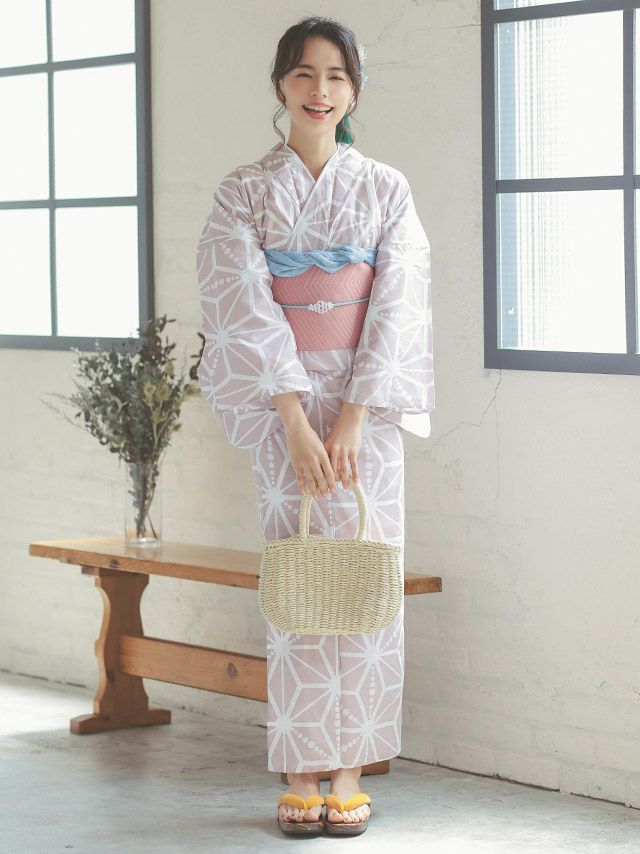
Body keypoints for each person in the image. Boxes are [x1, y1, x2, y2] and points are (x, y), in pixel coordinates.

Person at [195, 15, 434, 837]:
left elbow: (399, 303)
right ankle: (301, 770)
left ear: (354, 90)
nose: (319, 90)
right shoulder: (243, 190)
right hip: (283, 411)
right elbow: (240, 302)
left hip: (368, 415)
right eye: (304, 74)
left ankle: (350, 771)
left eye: (336, 76)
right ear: (280, 86)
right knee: (299, 585)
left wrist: (357, 414)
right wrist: (295, 418)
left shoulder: (386, 190)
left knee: (366, 585)